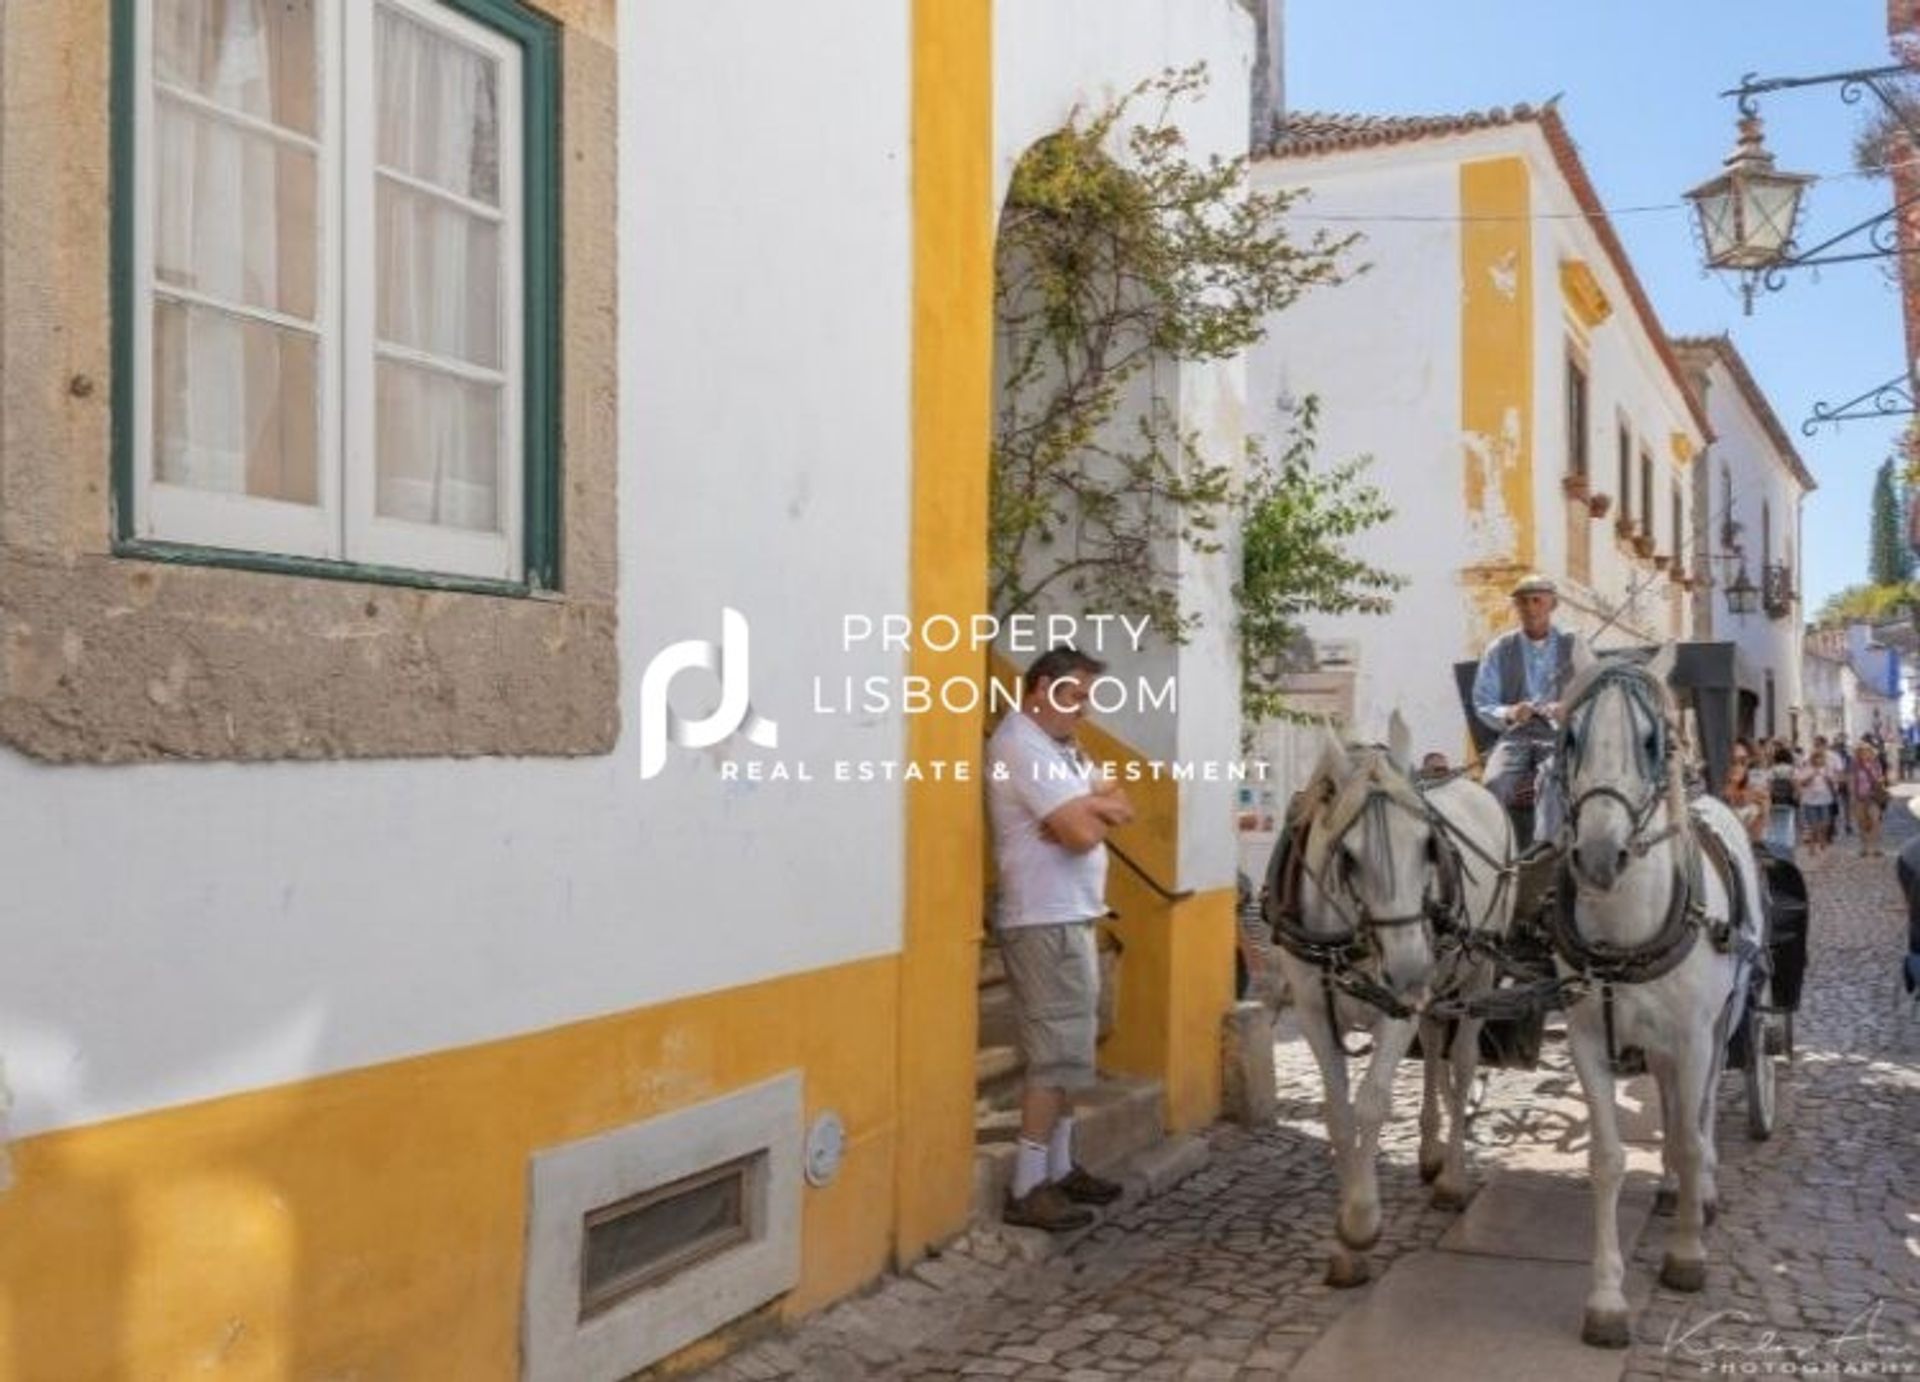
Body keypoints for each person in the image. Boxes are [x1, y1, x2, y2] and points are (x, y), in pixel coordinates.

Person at [985, 646, 1133, 1232]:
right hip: (1042, 918)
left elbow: (1120, 803)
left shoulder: (1063, 747)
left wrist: (1089, 807)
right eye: (1073, 695)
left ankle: (1063, 1166)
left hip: (1072, 914)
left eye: (1088, 697)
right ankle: (1028, 1185)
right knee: (1053, 1055)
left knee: (1075, 1047)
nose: (1083, 708)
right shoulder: (1021, 744)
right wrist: (1085, 815)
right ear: (1040, 687)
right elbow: (1077, 834)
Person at [1470, 574, 1577, 846]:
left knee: (1554, 782)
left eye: (1537, 600)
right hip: (1516, 735)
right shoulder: (1499, 649)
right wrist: (1510, 712)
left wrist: (1568, 708)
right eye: (1522, 602)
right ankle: (1495, 852)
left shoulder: (1575, 645)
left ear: (1552, 604)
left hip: (1560, 736)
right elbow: (1483, 702)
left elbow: (1593, 694)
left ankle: (1549, 851)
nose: (1530, 608)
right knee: (1493, 784)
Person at [1794, 741, 1834, 858]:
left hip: (1825, 799)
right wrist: (1811, 776)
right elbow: (1801, 782)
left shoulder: (1827, 769)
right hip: (1810, 800)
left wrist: (1829, 780)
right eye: (1816, 758)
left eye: (1821, 758)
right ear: (1813, 759)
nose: (1818, 760)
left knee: (1826, 823)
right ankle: (1812, 847)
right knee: (1813, 825)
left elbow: (1833, 784)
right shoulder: (1807, 768)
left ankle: (1822, 840)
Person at [1850, 739, 1888, 858]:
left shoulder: (1876, 765)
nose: (1865, 754)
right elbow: (1851, 782)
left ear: (1871, 752)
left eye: (1867, 751)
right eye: (1862, 752)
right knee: (1862, 823)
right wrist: (1853, 797)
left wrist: (1880, 780)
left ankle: (1875, 847)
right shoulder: (1855, 766)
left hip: (1873, 798)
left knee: (1875, 821)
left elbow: (1881, 779)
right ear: (1858, 753)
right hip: (1860, 798)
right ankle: (1864, 847)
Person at [1724, 738, 1765, 842]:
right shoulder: (1711, 792)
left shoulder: (1752, 800)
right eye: (1732, 761)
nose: (1737, 766)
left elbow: (1755, 839)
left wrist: (1762, 813)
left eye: (1743, 762)